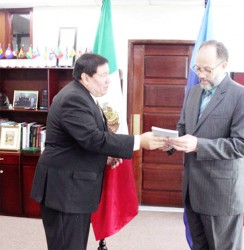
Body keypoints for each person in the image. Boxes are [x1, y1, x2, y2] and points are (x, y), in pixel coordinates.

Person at [31, 53, 168, 250]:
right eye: (103, 75)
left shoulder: (83, 95)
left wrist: (106, 157)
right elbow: (92, 138)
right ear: (85, 77)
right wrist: (139, 141)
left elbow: (80, 142)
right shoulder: (73, 99)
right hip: (65, 192)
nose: (108, 81)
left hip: (72, 188)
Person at [167, 40, 244, 250]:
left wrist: (198, 145)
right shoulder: (193, 92)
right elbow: (183, 127)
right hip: (193, 190)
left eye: (207, 69)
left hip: (221, 196)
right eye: (198, 68)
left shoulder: (241, 95)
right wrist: (170, 142)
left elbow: (242, 145)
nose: (201, 74)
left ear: (224, 65)